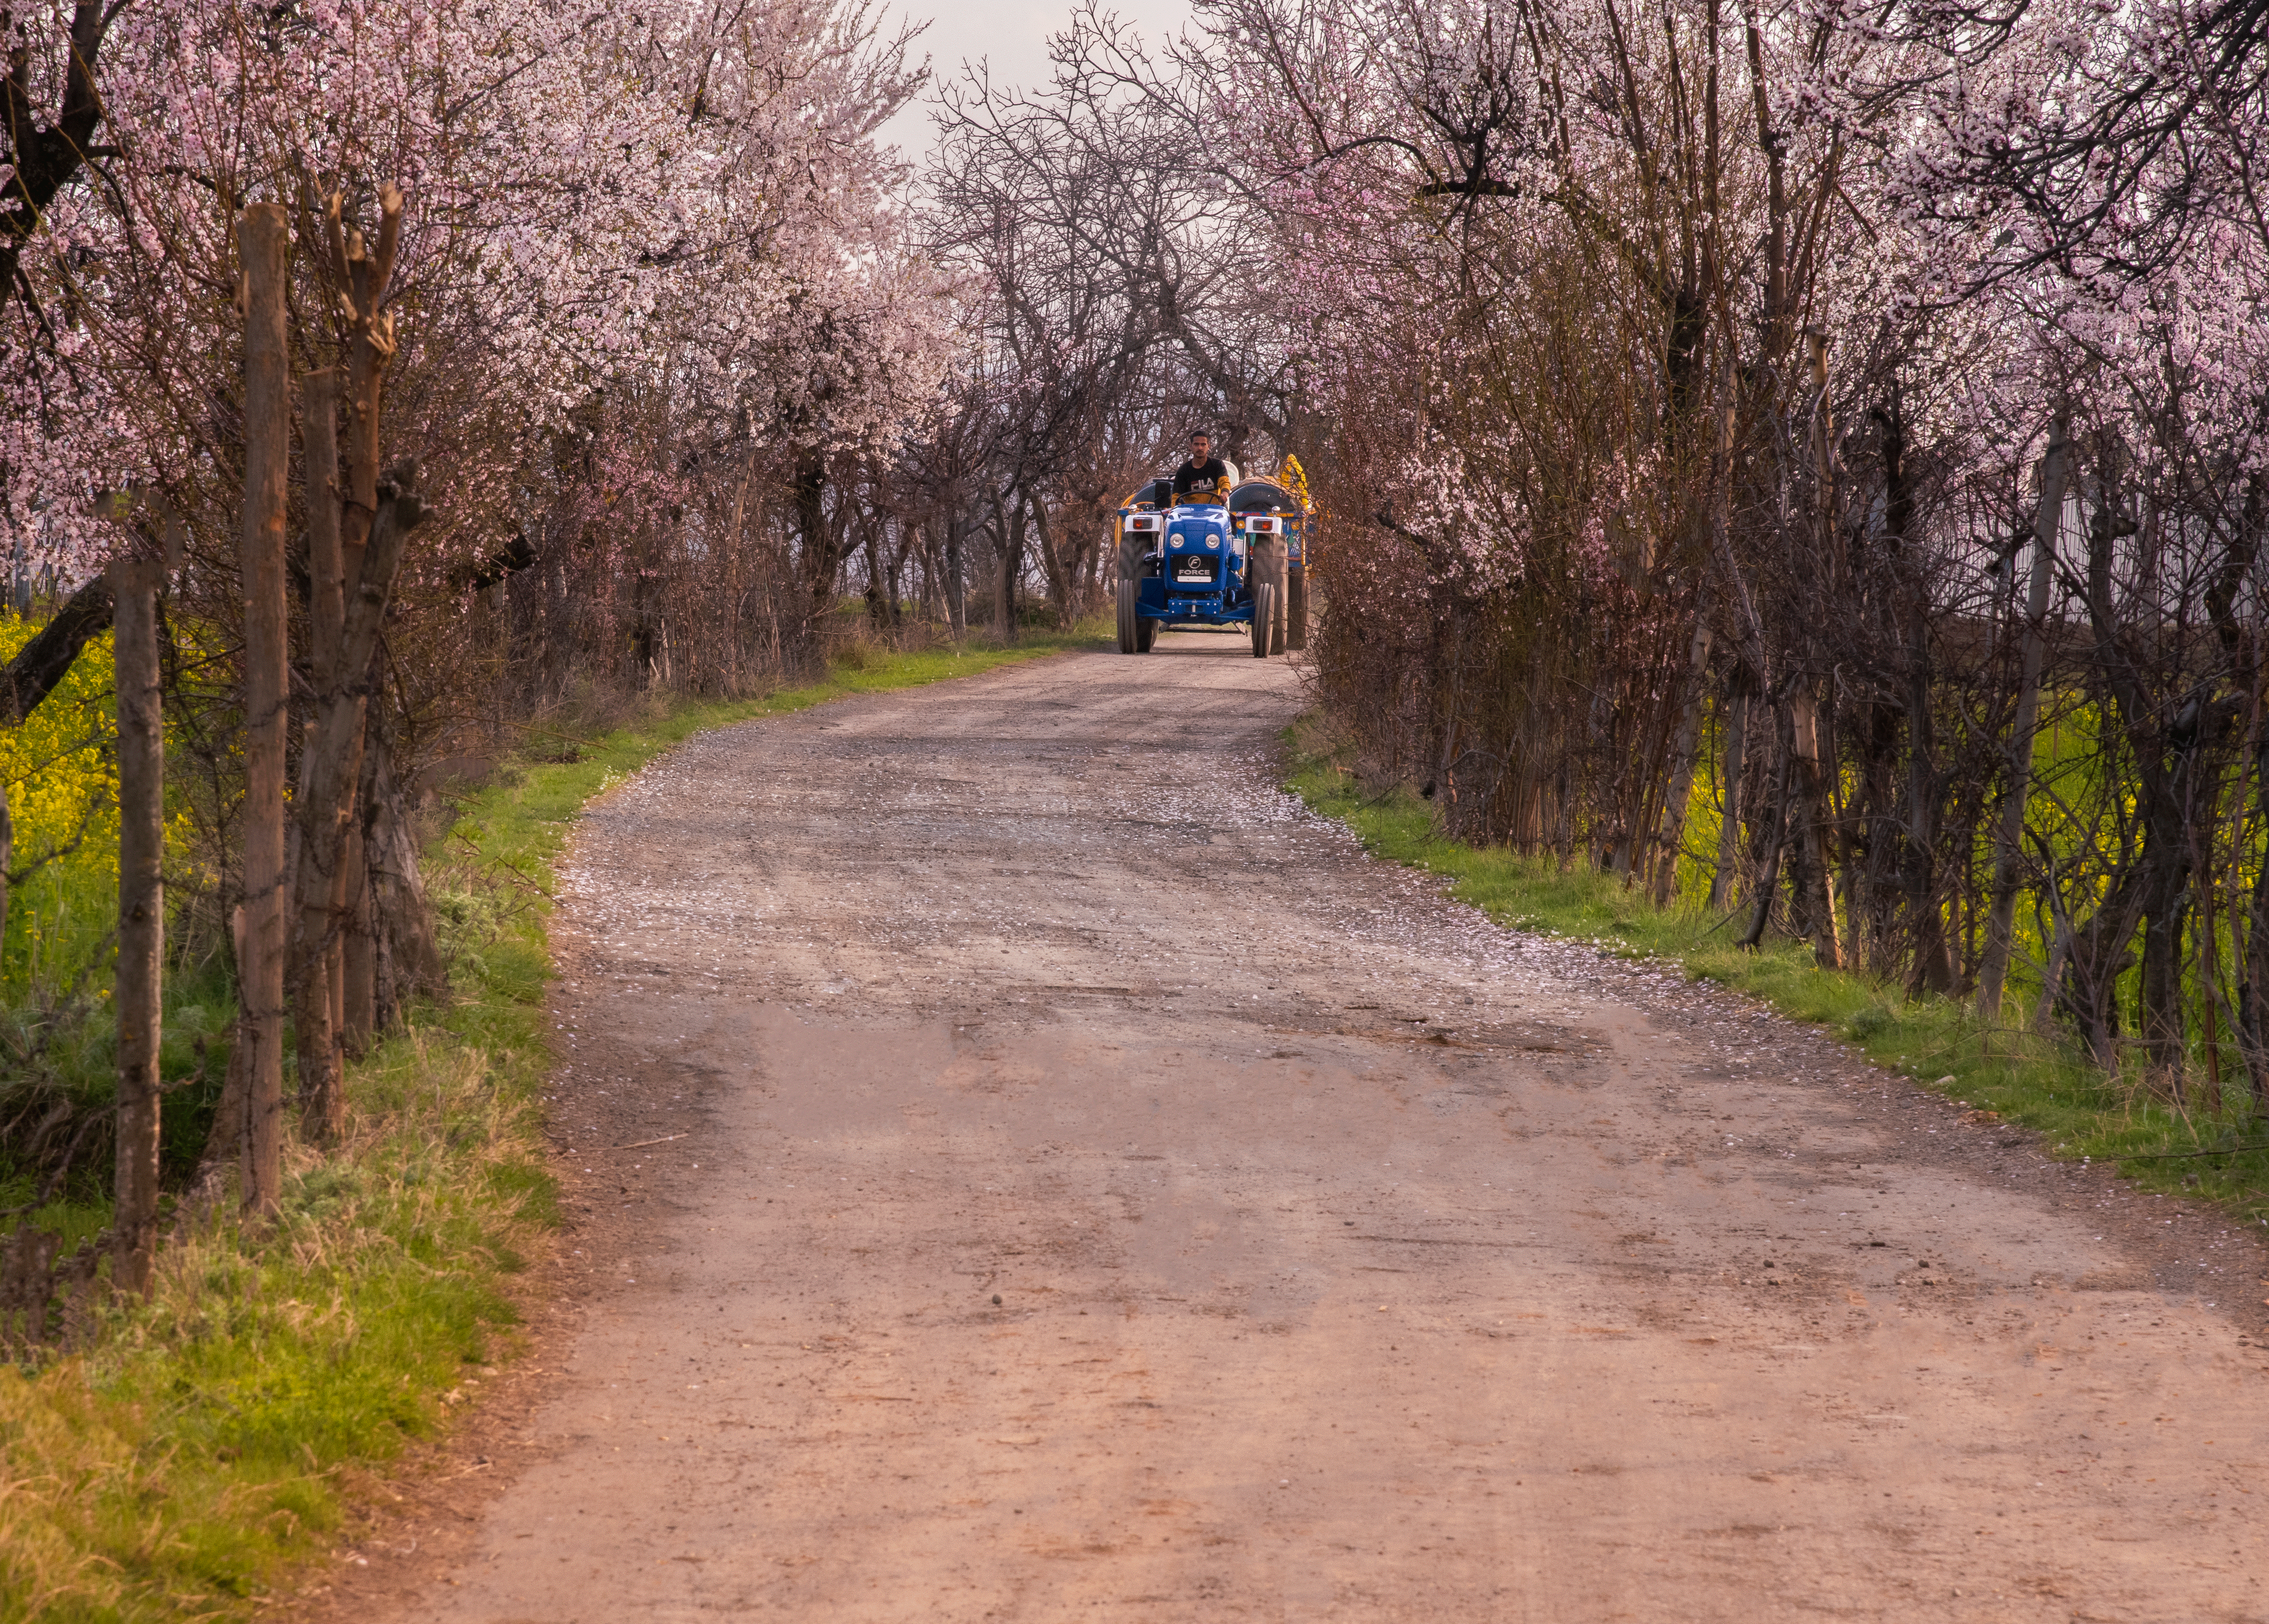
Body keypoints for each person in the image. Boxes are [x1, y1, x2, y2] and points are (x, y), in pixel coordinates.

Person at [1171, 431, 1230, 503]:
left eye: (1203, 445)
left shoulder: (1217, 465)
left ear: (1209, 446)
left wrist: (1224, 494)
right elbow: (1176, 497)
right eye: (1196, 444)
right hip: (1191, 513)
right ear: (1191, 446)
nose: (1200, 448)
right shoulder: (1183, 471)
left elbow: (1225, 483)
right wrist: (1178, 509)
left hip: (1215, 511)